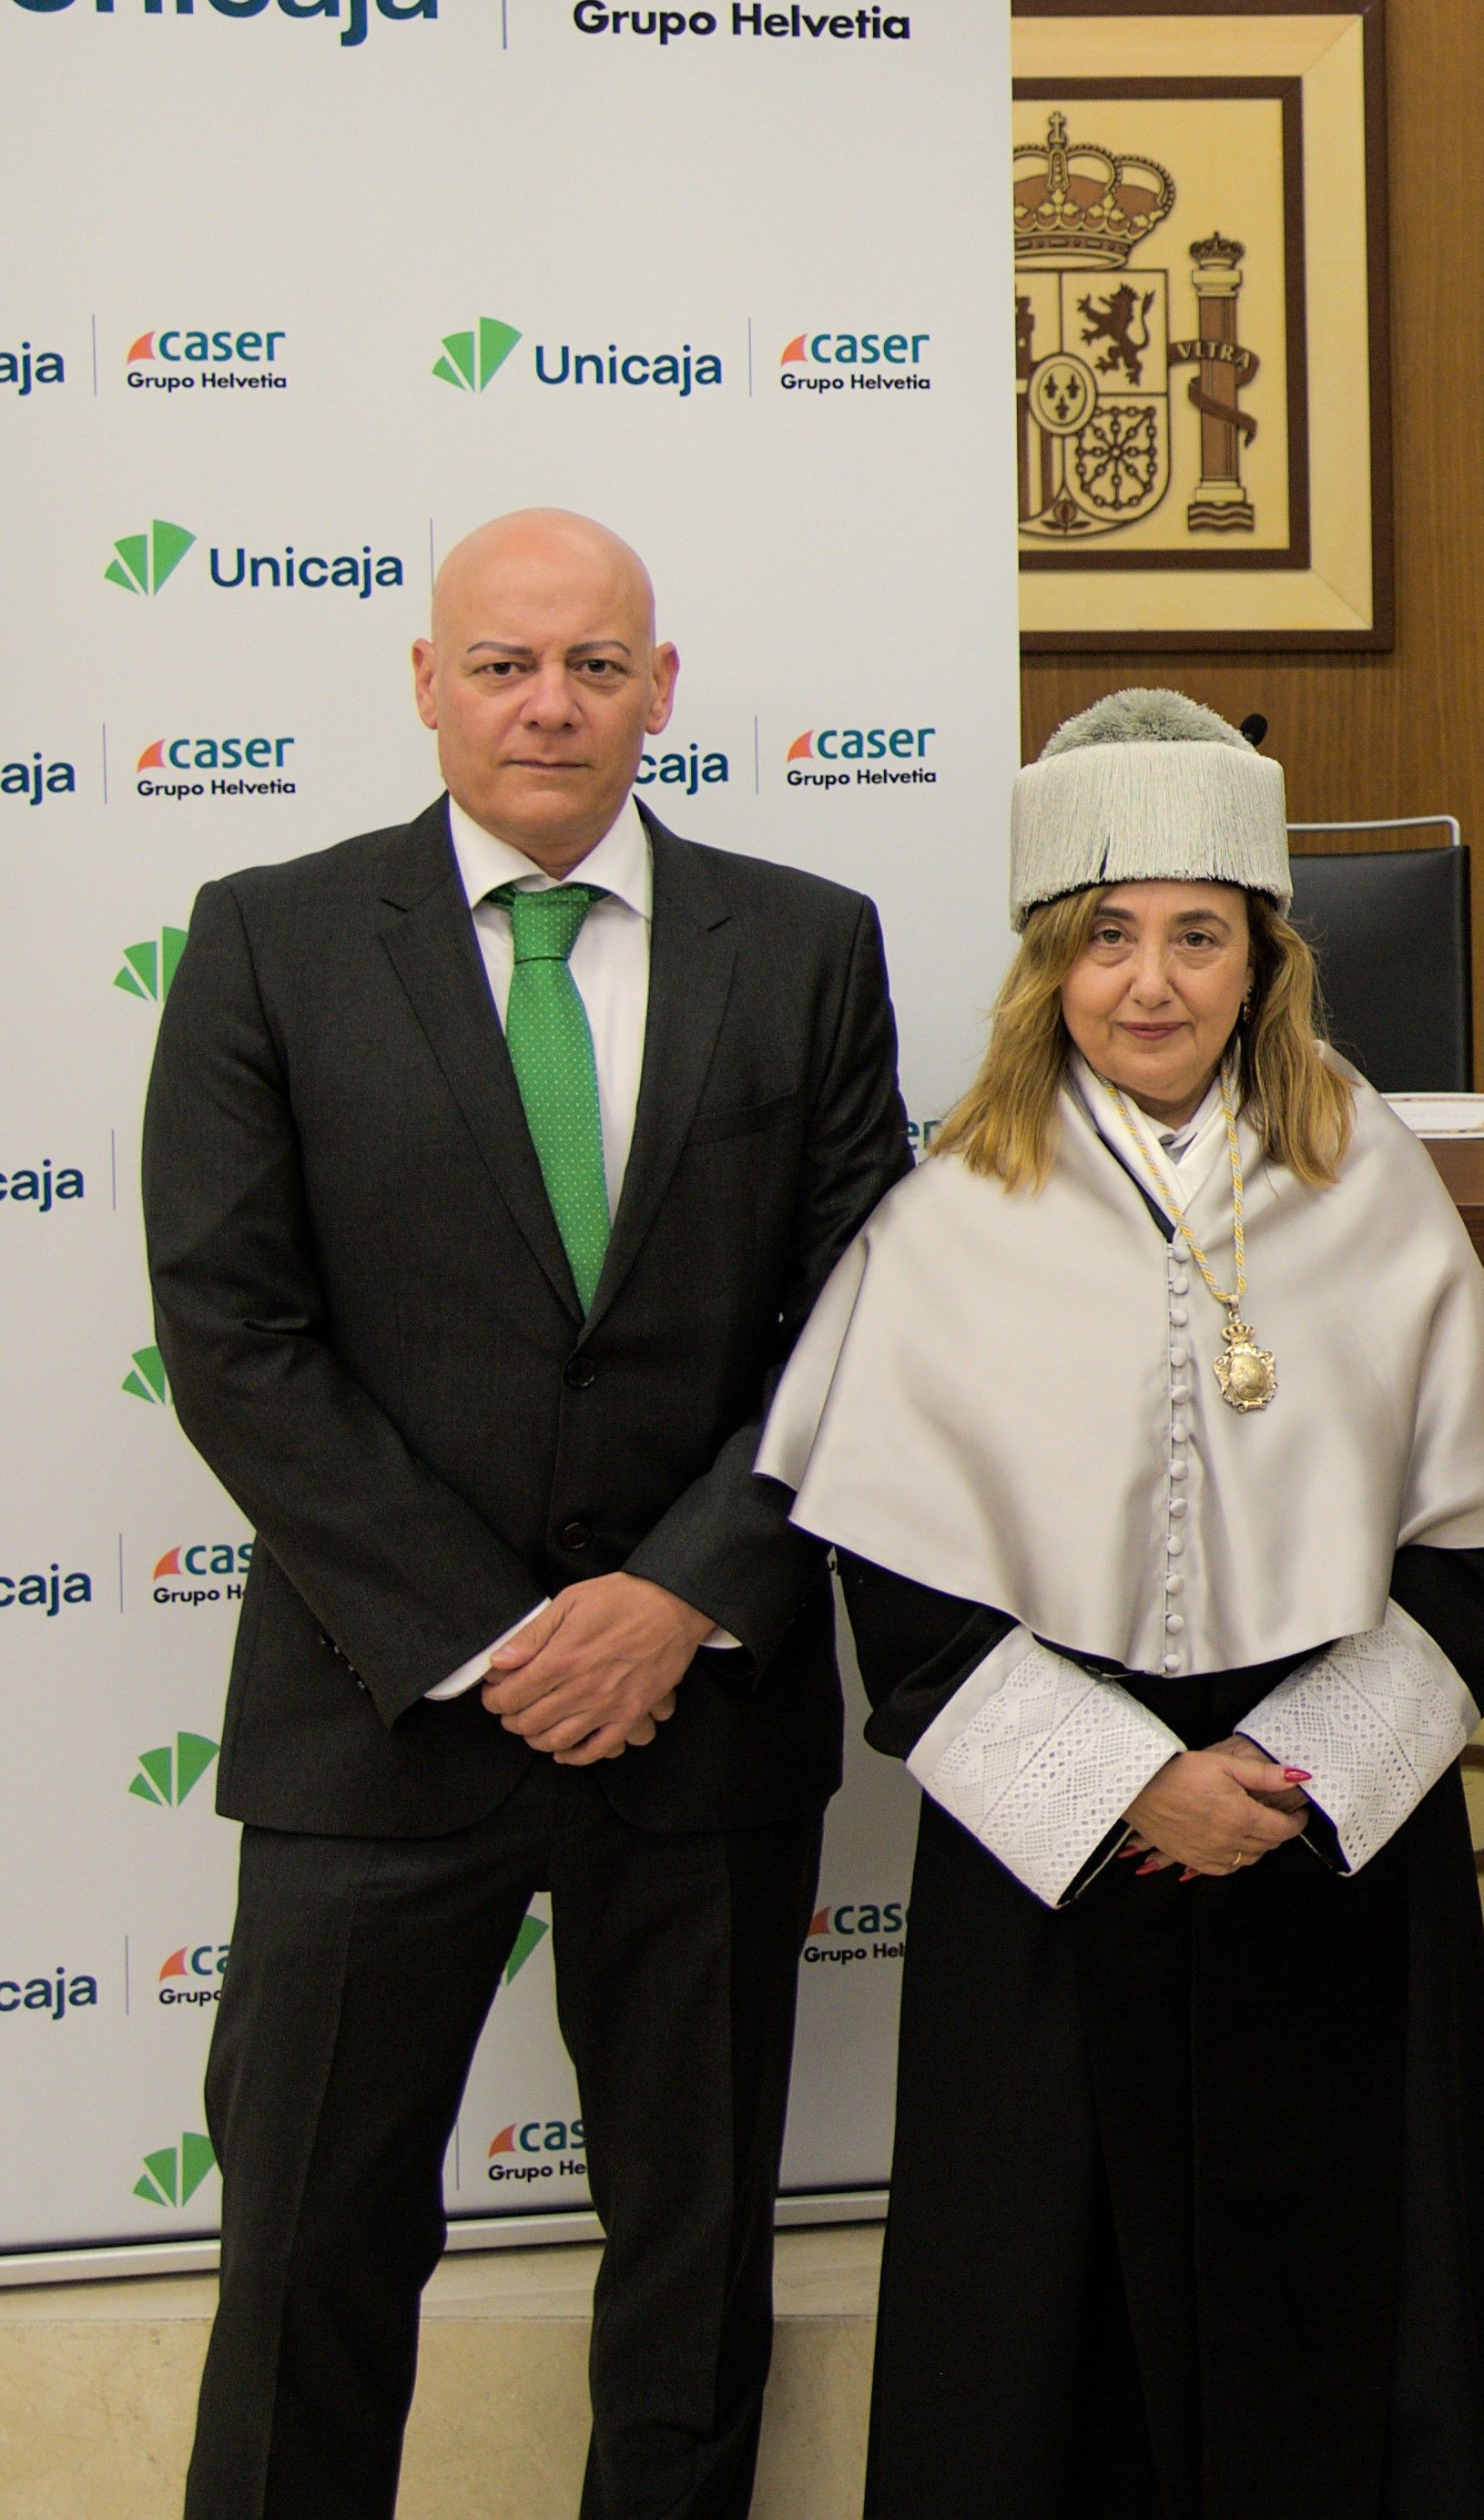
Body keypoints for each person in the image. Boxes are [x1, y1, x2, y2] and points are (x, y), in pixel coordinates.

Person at [141, 507, 910, 2520]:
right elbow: (234, 1333)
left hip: (700, 1713)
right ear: (426, 684)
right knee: (307, 2253)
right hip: (376, 1712)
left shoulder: (809, 942)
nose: (548, 704)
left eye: (592, 665)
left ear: (662, 688)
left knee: (686, 2269)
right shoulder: (267, 937)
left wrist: (675, 1600)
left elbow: (859, 1319)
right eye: (502, 664)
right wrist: (495, 1637)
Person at [758, 689, 1484, 2515]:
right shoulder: (949, 1213)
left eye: (1196, 936)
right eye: (1107, 937)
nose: (1151, 983)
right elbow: (904, 1601)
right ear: (1048, 961)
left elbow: (1467, 1558)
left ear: (1263, 955)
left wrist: (1278, 1775)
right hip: (1060, 1859)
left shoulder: (1361, 1171)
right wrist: (1134, 1785)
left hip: (1324, 1842)